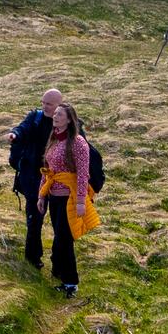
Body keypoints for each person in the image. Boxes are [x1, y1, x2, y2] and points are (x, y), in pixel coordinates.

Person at [41, 104, 104, 298]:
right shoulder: (53, 140)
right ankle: (63, 278)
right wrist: (41, 196)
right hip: (54, 197)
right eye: (55, 114)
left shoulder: (77, 142)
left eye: (60, 115)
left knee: (64, 240)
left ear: (69, 120)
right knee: (60, 238)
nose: (56, 117)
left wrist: (79, 202)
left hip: (70, 198)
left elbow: (83, 173)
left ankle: (71, 282)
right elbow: (47, 171)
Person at [8, 90, 60, 269]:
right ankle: (33, 259)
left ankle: (59, 263)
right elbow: (23, 128)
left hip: (58, 181)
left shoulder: (66, 121)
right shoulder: (35, 117)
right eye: (43, 102)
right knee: (34, 220)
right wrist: (15, 134)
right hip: (33, 178)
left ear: (58, 105)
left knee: (60, 224)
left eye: (49, 104)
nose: (45, 106)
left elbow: (79, 143)